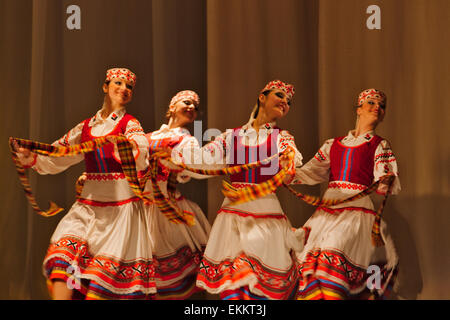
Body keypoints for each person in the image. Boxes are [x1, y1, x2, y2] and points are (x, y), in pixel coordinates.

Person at [12, 68, 154, 300]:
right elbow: (60, 153)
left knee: (102, 281)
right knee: (63, 259)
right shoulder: (86, 126)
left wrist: (126, 150)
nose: (124, 89)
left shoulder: (130, 124)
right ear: (105, 86)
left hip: (121, 210)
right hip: (88, 207)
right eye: (118, 83)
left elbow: (141, 156)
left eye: (129, 87)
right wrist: (32, 156)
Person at [193, 80, 307, 300]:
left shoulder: (281, 139)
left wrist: (287, 163)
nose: (285, 102)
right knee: (234, 285)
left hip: (265, 214)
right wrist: (174, 156)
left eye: (289, 101)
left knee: (258, 286)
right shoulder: (231, 136)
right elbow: (202, 160)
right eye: (280, 95)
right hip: (233, 216)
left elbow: (291, 169)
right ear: (262, 97)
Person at [293, 88, 400, 300]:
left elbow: (384, 180)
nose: (377, 107)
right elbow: (310, 172)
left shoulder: (378, 145)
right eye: (371, 103)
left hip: (356, 211)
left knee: (334, 250)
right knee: (314, 264)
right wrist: (284, 172)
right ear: (359, 109)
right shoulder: (334, 144)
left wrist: (386, 178)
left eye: (382, 106)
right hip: (329, 210)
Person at [142, 90, 211, 299]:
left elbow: (187, 171)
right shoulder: (148, 137)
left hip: (167, 207)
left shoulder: (187, 140)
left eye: (195, 107)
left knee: (170, 277)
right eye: (187, 102)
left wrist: (174, 163)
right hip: (142, 205)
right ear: (172, 107)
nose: (192, 108)